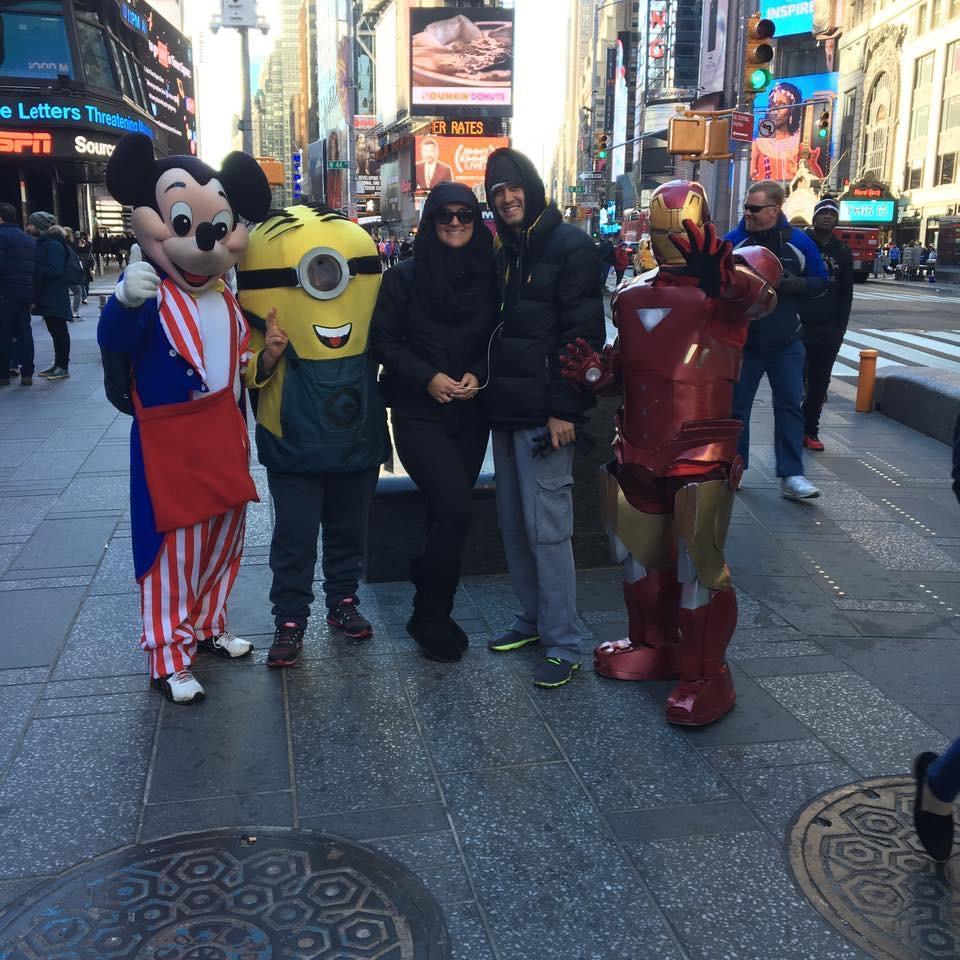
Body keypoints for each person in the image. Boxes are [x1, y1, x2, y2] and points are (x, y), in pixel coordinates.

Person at [560, 181, 782, 725]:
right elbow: (631, 367)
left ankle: (707, 673)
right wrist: (600, 373)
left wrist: (722, 273)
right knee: (639, 557)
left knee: (698, 565)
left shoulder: (727, 288)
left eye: (678, 230)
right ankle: (654, 644)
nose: (670, 241)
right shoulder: (632, 295)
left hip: (700, 449)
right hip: (636, 447)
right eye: (662, 231)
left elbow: (762, 298)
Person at [98, 132, 271, 704]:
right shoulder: (148, 293)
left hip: (222, 431)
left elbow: (236, 359)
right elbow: (114, 340)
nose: (205, 239)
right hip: (168, 442)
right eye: (181, 221)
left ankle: (207, 625)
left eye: (220, 226)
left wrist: (264, 356)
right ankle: (168, 654)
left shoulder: (224, 294)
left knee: (223, 537)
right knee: (171, 549)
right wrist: (124, 300)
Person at [237, 204, 389, 668]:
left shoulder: (371, 312)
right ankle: (289, 618)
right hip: (293, 443)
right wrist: (270, 355)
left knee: (349, 530)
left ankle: (343, 601)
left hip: (355, 439)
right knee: (294, 536)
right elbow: (245, 373)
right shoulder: (262, 319)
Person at [482, 146, 605, 688]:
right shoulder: (506, 251)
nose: (506, 198)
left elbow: (583, 336)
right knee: (514, 523)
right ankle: (533, 620)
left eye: (513, 187)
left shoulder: (569, 246)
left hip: (546, 418)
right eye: (496, 192)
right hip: (506, 410)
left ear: (531, 187)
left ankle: (563, 641)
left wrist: (564, 409)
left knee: (549, 530)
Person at [371, 182, 498, 662]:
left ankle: (436, 602)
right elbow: (383, 341)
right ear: (429, 222)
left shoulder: (489, 276)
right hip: (418, 412)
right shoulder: (403, 278)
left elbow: (498, 338)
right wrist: (427, 378)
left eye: (465, 214)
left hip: (471, 413)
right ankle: (427, 613)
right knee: (456, 510)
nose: (455, 223)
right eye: (444, 215)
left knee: (443, 513)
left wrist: (477, 374)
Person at [725, 181, 827, 499]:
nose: (748, 213)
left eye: (755, 208)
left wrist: (793, 284)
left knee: (789, 407)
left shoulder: (800, 242)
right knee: (736, 409)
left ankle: (792, 474)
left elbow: (821, 281)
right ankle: (734, 468)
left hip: (787, 342)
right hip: (743, 342)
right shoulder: (733, 240)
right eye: (746, 206)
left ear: (775, 210)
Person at [800, 197, 853, 452]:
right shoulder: (800, 243)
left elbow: (846, 293)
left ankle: (810, 430)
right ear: (814, 217)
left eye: (832, 213)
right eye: (823, 212)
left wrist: (840, 330)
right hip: (799, 327)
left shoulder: (842, 251)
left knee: (820, 383)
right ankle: (793, 426)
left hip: (828, 329)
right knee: (794, 381)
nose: (827, 217)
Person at [30, 214, 72, 380]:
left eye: (31, 223)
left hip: (54, 294)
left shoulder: (54, 244)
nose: (29, 227)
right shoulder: (48, 242)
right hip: (49, 294)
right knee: (55, 330)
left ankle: (62, 366)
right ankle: (58, 364)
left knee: (59, 330)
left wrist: (35, 268)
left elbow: (56, 270)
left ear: (39, 226)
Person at [0, 202, 37, 386]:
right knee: (25, 331)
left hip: (5, 292)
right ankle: (27, 373)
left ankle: (3, 374)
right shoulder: (28, 239)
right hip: (25, 291)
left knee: (4, 333)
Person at [73, 230, 94, 303]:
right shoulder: (76, 246)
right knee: (82, 283)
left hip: (86, 267)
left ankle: (85, 296)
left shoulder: (88, 247)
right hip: (80, 267)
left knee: (86, 283)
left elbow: (92, 259)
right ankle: (84, 297)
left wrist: (93, 268)